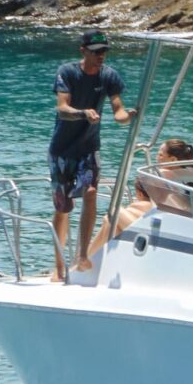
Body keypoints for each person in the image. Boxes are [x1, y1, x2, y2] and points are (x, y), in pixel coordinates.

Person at [48, 30, 136, 279]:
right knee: (63, 207)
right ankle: (58, 266)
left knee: (91, 192)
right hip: (62, 149)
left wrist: (127, 116)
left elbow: (118, 111)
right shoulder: (67, 72)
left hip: (89, 147)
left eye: (104, 51)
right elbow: (62, 108)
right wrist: (83, 113)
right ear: (83, 51)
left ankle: (82, 255)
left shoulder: (108, 75)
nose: (101, 55)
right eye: (96, 51)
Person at [87, 177, 153, 255]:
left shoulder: (142, 206)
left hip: (142, 239)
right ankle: (88, 255)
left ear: (140, 194)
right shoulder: (154, 208)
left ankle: (87, 255)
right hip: (147, 238)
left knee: (111, 219)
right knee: (112, 223)